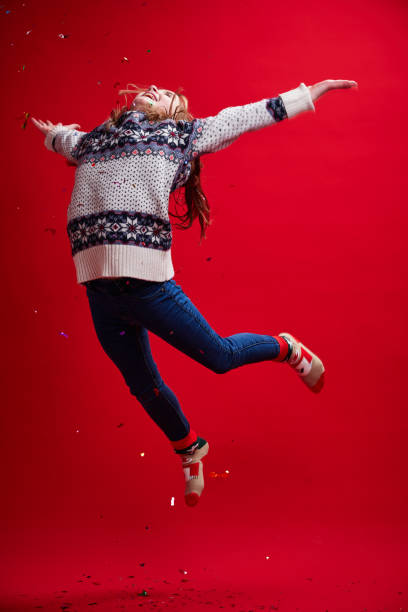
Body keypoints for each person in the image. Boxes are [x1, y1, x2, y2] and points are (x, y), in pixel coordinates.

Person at [31, 78, 358, 507]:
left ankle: (287, 348)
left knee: (219, 357)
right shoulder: (95, 140)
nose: (152, 87)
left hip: (148, 286)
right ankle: (190, 449)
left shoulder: (183, 135)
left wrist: (305, 96)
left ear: (175, 113)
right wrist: (51, 134)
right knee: (141, 385)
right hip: (100, 292)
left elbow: (241, 117)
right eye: (151, 87)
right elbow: (67, 140)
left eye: (166, 93)